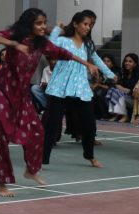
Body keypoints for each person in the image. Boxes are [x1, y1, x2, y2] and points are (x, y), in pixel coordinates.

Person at [0, 9, 96, 197]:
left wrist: (87, 64)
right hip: (2, 93)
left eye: (44, 22)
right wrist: (13, 44)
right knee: (1, 139)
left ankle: (31, 170)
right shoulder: (15, 35)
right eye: (39, 23)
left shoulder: (41, 43)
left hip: (22, 97)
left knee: (37, 132)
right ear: (28, 24)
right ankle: (1, 184)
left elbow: (63, 53)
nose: (43, 26)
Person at [42, 10, 115, 168]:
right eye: (85, 24)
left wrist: (111, 75)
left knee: (89, 125)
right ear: (75, 24)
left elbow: (97, 60)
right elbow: (49, 46)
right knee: (52, 125)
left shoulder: (88, 45)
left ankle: (89, 155)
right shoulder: (63, 41)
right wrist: (57, 29)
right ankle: (42, 159)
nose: (88, 27)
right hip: (60, 88)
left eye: (90, 25)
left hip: (80, 89)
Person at [106, 53, 139, 122]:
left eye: (130, 61)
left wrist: (124, 89)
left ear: (135, 64)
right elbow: (118, 86)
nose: (127, 63)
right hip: (124, 96)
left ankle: (125, 116)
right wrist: (117, 84)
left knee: (117, 93)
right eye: (126, 61)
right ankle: (116, 115)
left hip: (134, 100)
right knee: (112, 90)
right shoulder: (124, 74)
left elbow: (135, 92)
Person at [91, 54, 117, 120]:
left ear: (112, 64)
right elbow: (95, 83)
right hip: (100, 89)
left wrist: (99, 85)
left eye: (108, 61)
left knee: (100, 93)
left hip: (112, 91)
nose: (105, 63)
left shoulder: (115, 73)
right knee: (93, 93)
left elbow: (113, 87)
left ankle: (106, 116)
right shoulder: (99, 72)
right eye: (104, 61)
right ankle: (94, 115)